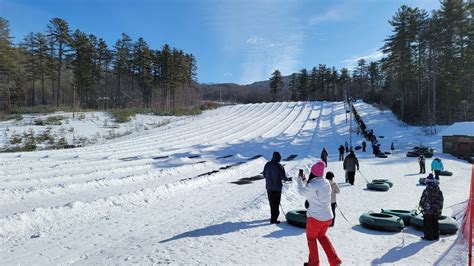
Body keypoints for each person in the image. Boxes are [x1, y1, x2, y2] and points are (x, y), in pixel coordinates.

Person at [297, 161, 342, 266]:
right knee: (322, 237)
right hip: (328, 217)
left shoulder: (313, 185)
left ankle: (313, 263)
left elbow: (302, 192)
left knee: (311, 239)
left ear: (313, 173)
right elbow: (313, 188)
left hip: (315, 218)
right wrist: (304, 180)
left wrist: (299, 181)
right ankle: (335, 261)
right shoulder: (326, 182)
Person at [263, 151, 291, 224]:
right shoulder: (279, 166)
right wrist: (288, 179)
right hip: (277, 188)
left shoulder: (267, 164)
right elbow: (283, 177)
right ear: (278, 158)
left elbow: (264, 175)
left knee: (271, 203)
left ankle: (272, 216)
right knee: (276, 203)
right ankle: (274, 219)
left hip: (269, 187)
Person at [418, 174, 444, 241]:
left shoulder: (427, 190)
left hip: (428, 210)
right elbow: (441, 200)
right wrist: (440, 208)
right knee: (435, 222)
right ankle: (436, 236)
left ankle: (429, 237)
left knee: (428, 223)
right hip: (436, 210)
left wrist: (421, 204)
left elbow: (423, 199)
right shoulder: (438, 190)